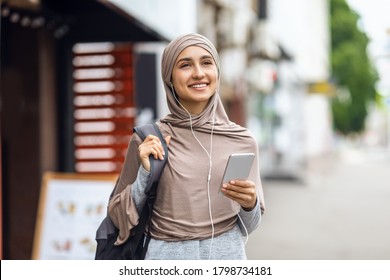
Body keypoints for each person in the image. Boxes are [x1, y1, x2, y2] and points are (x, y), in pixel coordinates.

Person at [108, 33, 265, 260]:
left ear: (217, 72)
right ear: (169, 77)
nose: (199, 73)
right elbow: (118, 216)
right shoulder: (149, 139)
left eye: (207, 63)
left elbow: (250, 226)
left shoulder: (242, 140)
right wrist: (145, 174)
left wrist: (250, 204)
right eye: (185, 65)